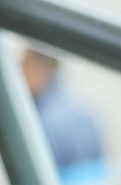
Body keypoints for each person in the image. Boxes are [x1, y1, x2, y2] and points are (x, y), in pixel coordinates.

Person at [24, 48, 110, 185]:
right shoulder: (86, 116)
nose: (20, 76)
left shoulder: (44, 124)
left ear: (39, 68)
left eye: (24, 66)